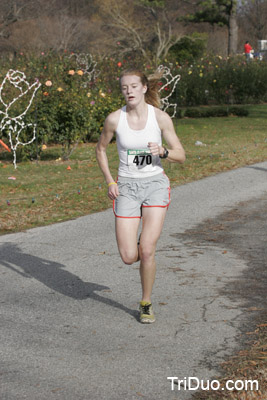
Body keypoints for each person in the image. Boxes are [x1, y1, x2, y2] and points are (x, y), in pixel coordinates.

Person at [96, 69, 186, 324]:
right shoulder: (114, 119)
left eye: (134, 86)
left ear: (144, 88)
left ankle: (145, 302)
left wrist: (164, 151)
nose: (129, 91)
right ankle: (139, 242)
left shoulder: (160, 118)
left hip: (155, 184)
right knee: (128, 257)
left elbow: (181, 154)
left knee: (147, 250)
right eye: (125, 87)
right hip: (126, 187)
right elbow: (100, 149)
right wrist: (110, 180)